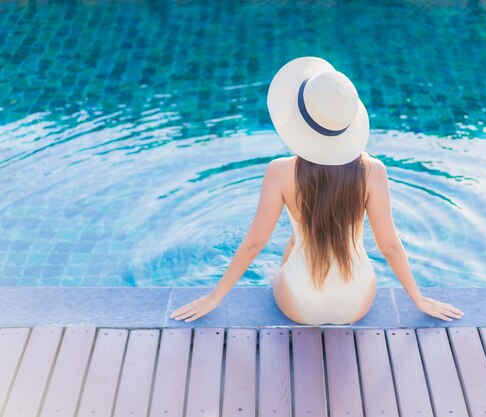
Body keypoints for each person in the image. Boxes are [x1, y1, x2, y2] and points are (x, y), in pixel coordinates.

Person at [170, 56, 464, 324]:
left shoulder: (279, 172)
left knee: (295, 239)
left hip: (300, 305)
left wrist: (214, 297)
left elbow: (254, 244)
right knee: (303, 235)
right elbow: (389, 245)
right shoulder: (373, 171)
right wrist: (419, 299)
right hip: (356, 301)